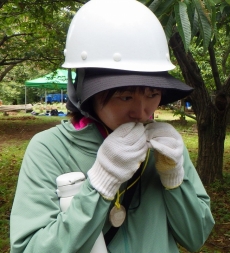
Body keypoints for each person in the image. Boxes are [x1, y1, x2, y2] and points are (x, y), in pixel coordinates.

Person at [9, 0, 214, 252]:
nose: (142, 112)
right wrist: (100, 184)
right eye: (125, 97)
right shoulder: (50, 149)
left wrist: (173, 179)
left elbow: (196, 237)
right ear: (85, 91)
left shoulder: (165, 148)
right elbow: (31, 248)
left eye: (152, 94)